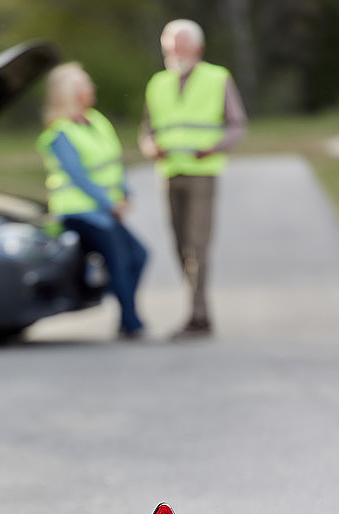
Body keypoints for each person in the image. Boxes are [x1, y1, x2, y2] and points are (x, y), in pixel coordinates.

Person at [140, 19, 247, 339]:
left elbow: (237, 124)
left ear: (198, 48)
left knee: (196, 247)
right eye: (169, 47)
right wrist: (149, 147)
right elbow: (147, 129)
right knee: (179, 246)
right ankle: (197, 310)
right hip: (170, 173)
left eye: (181, 46)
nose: (175, 53)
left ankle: (198, 316)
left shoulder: (218, 78)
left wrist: (215, 146)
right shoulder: (157, 83)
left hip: (203, 173)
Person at [37, 62, 147, 338]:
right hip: (79, 212)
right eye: (84, 84)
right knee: (120, 260)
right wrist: (110, 204)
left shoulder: (97, 120)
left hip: (106, 209)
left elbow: (114, 161)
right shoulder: (60, 133)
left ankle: (123, 314)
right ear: (68, 93)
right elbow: (79, 176)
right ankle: (132, 323)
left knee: (139, 255)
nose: (91, 88)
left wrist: (125, 194)